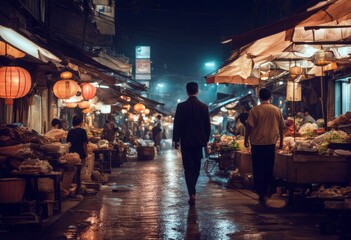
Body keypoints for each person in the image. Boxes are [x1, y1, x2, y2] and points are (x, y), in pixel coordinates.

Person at [244, 88, 285, 205]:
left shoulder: (254, 110)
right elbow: (282, 127)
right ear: (270, 96)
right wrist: (281, 142)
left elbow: (249, 126)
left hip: (257, 145)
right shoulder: (277, 110)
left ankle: (261, 192)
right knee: (268, 168)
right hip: (270, 145)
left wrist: (246, 139)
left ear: (259, 97)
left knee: (258, 169)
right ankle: (266, 191)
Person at [173, 82, 211, 206]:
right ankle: (193, 191)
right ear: (197, 91)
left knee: (188, 168)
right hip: (198, 143)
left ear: (187, 91)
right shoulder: (204, 107)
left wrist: (175, 140)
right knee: (196, 168)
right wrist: (205, 141)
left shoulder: (181, 106)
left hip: (186, 142)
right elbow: (207, 126)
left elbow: (177, 124)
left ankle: (192, 193)